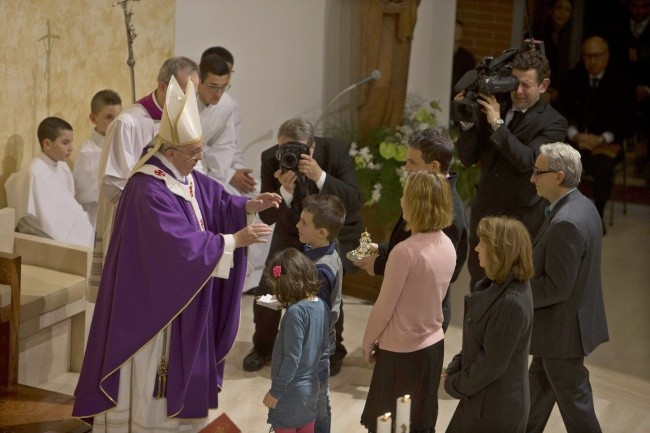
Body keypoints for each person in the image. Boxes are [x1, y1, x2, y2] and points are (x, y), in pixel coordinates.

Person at [72, 76, 281, 431]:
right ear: (170, 153)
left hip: (181, 296)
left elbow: (214, 200)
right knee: (154, 373)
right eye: (194, 152)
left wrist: (248, 205)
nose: (200, 159)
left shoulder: (183, 174)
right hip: (152, 306)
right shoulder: (145, 189)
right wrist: (232, 241)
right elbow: (176, 245)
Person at [243, 118, 363, 375]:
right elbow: (266, 216)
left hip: (327, 234)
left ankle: (332, 350)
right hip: (290, 232)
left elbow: (354, 201)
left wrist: (319, 176)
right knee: (267, 291)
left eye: (297, 150)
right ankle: (263, 347)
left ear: (312, 146)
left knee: (328, 293)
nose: (288, 155)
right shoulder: (271, 159)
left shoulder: (336, 152)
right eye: (283, 148)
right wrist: (284, 192)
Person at [88, 56, 200, 303]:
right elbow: (113, 183)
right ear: (162, 87)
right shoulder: (127, 124)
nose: (189, 103)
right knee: (132, 300)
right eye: (183, 94)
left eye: (193, 95)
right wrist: (154, 211)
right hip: (134, 227)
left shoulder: (185, 123)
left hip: (169, 227)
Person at [454, 48, 568, 291]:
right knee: (478, 285)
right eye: (515, 83)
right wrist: (467, 123)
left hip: (520, 220)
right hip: (485, 211)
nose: (518, 91)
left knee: (512, 290)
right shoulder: (497, 105)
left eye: (526, 85)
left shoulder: (554, 123)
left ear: (543, 85)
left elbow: (527, 161)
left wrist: (497, 124)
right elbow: (467, 157)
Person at [360, 171, 456, 433]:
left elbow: (384, 308)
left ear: (414, 203)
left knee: (389, 425)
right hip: (432, 347)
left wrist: (368, 342)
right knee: (417, 423)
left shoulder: (405, 252)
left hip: (400, 354)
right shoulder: (448, 244)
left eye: (405, 195)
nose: (401, 199)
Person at [526, 142, 609, 433]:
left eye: (538, 172)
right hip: (560, 329)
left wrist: (517, 292)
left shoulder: (567, 222)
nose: (532, 178)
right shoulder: (583, 206)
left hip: (562, 332)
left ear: (558, 177)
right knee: (535, 393)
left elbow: (557, 287)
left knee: (577, 407)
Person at [354, 127, 468, 331]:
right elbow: (410, 243)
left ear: (434, 166)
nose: (406, 168)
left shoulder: (450, 214)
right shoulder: (428, 194)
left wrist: (379, 264)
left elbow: (439, 270)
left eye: (412, 162)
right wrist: (380, 248)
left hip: (421, 319)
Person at [443, 216, 534, 433]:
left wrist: (453, 384)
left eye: (482, 244)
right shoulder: (496, 287)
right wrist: (456, 366)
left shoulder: (510, 303)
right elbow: (480, 342)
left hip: (496, 411)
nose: (476, 249)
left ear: (499, 251)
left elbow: (491, 365)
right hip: (483, 399)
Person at [197, 48, 268, 293]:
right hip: (189, 170)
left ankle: (248, 278)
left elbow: (225, 147)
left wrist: (226, 175)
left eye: (224, 87)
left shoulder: (227, 105)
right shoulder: (183, 102)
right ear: (200, 79)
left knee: (258, 198)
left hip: (215, 171)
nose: (217, 94)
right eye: (212, 87)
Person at [557, 35, 634, 230]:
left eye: (597, 56)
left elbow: (626, 121)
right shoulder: (572, 78)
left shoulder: (621, 82)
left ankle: (597, 215)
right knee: (560, 159)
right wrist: (575, 135)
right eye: (587, 56)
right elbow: (561, 113)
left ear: (606, 56)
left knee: (603, 165)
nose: (592, 61)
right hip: (576, 140)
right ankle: (563, 212)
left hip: (606, 144)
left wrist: (600, 138)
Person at [262, 248, 329, 433]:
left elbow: (292, 357)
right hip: (311, 389)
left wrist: (276, 391)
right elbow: (324, 346)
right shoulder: (321, 305)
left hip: (290, 392)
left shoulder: (295, 313)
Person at [296, 194, 345, 433]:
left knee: (317, 402)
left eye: (304, 223)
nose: (298, 225)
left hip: (314, 343)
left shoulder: (322, 270)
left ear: (322, 232)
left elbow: (314, 314)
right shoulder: (319, 248)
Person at [5, 117, 94, 248]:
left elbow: (68, 205)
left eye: (71, 142)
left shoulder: (63, 167)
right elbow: (39, 221)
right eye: (65, 143)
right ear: (47, 144)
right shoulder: (35, 171)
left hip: (65, 231)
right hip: (45, 242)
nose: (71, 148)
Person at [72, 89, 122, 229]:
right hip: (96, 221)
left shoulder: (123, 143)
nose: (115, 123)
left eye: (118, 117)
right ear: (93, 118)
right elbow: (85, 195)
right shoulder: (86, 153)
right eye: (108, 117)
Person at [531, 0, 574, 104]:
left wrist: (560, 92)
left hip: (560, 92)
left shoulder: (571, 38)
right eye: (559, 8)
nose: (562, 13)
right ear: (551, 10)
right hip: (539, 88)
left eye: (567, 10)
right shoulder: (538, 32)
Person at [451, 20, 477, 100]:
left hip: (459, 99)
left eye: (458, 42)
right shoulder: (442, 57)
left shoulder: (467, 58)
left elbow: (471, 85)